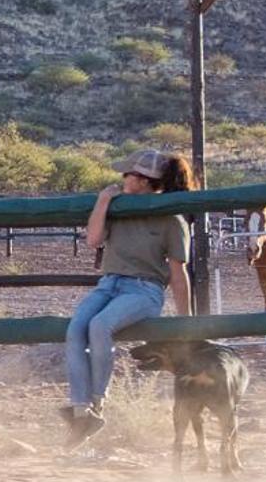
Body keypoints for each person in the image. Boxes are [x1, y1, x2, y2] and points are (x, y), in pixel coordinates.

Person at [62, 147, 195, 446]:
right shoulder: (118, 208)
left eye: (128, 174)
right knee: (76, 328)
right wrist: (103, 201)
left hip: (144, 289)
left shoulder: (171, 220)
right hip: (108, 283)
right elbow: (93, 240)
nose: (122, 178)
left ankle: (97, 403)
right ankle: (80, 410)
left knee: (100, 325)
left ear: (144, 180)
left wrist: (185, 320)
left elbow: (178, 273)